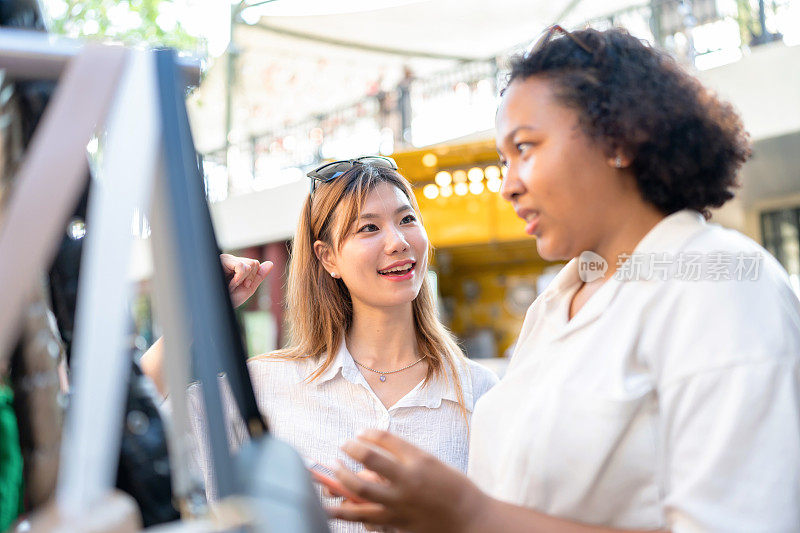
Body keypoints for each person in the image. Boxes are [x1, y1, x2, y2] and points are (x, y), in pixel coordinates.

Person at [327, 27, 800, 532]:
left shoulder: (721, 288)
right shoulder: (555, 305)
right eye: (503, 161)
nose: (508, 186)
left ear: (618, 138)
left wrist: (469, 514)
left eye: (525, 148)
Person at [141, 156, 498, 532]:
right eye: (369, 227)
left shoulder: (478, 393)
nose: (398, 241)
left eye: (407, 219)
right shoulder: (260, 386)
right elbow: (121, 430)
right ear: (328, 257)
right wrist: (195, 315)